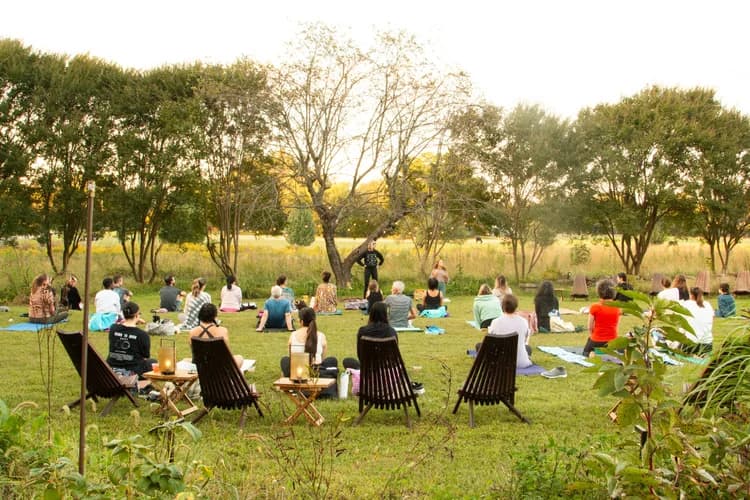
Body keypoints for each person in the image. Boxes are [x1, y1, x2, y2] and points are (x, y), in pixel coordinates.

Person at [280, 307, 339, 395]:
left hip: (297, 373)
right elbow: (322, 359)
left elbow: (292, 357)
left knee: (285, 360)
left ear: (301, 321)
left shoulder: (293, 335)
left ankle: (293, 384)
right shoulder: (321, 336)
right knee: (332, 360)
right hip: (316, 371)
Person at [106, 301, 155, 377]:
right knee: (153, 362)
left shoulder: (113, 328)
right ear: (136, 315)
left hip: (112, 368)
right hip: (133, 371)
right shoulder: (142, 335)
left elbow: (120, 325)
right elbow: (145, 356)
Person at [487, 294, 532, 368]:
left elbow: (491, 342)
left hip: (500, 362)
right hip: (521, 363)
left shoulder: (495, 322)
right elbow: (525, 339)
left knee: (479, 346)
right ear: (516, 306)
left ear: (502, 307)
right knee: (528, 348)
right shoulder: (524, 322)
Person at [583, 279, 621, 357]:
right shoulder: (617, 307)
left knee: (585, 352)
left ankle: (592, 354)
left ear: (599, 292)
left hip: (596, 340)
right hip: (612, 341)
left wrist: (592, 336)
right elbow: (616, 326)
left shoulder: (595, 307)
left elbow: (589, 327)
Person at [680, 287, 714, 355]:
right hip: (707, 346)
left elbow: (681, 323)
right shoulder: (707, 304)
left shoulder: (686, 304)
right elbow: (712, 319)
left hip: (691, 345)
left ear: (691, 295)